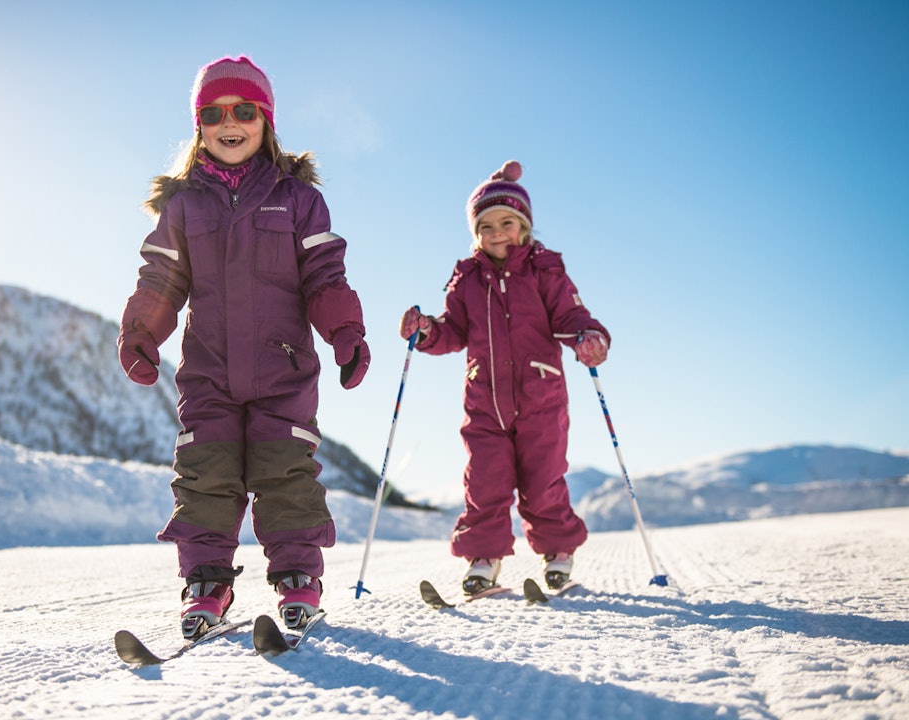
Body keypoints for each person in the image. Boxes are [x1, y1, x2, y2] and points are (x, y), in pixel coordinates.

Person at [117, 56, 370, 635]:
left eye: (244, 111)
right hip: (208, 369)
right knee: (205, 473)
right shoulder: (183, 205)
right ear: (199, 126)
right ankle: (206, 584)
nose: (229, 122)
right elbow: (161, 279)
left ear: (266, 120)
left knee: (285, 473)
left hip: (283, 370)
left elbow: (325, 276)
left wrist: (345, 333)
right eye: (213, 113)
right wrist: (141, 334)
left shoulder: (297, 199)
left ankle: (299, 580)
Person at [399, 160, 608, 594]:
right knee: (484, 481)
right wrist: (427, 331)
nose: (497, 233)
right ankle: (483, 559)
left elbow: (570, 315)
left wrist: (588, 336)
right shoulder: (467, 279)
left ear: (524, 226)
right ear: (475, 233)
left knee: (543, 479)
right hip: (485, 400)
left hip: (540, 397)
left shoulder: (544, 270)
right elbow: (453, 331)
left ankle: (558, 552)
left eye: (506, 223)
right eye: (486, 226)